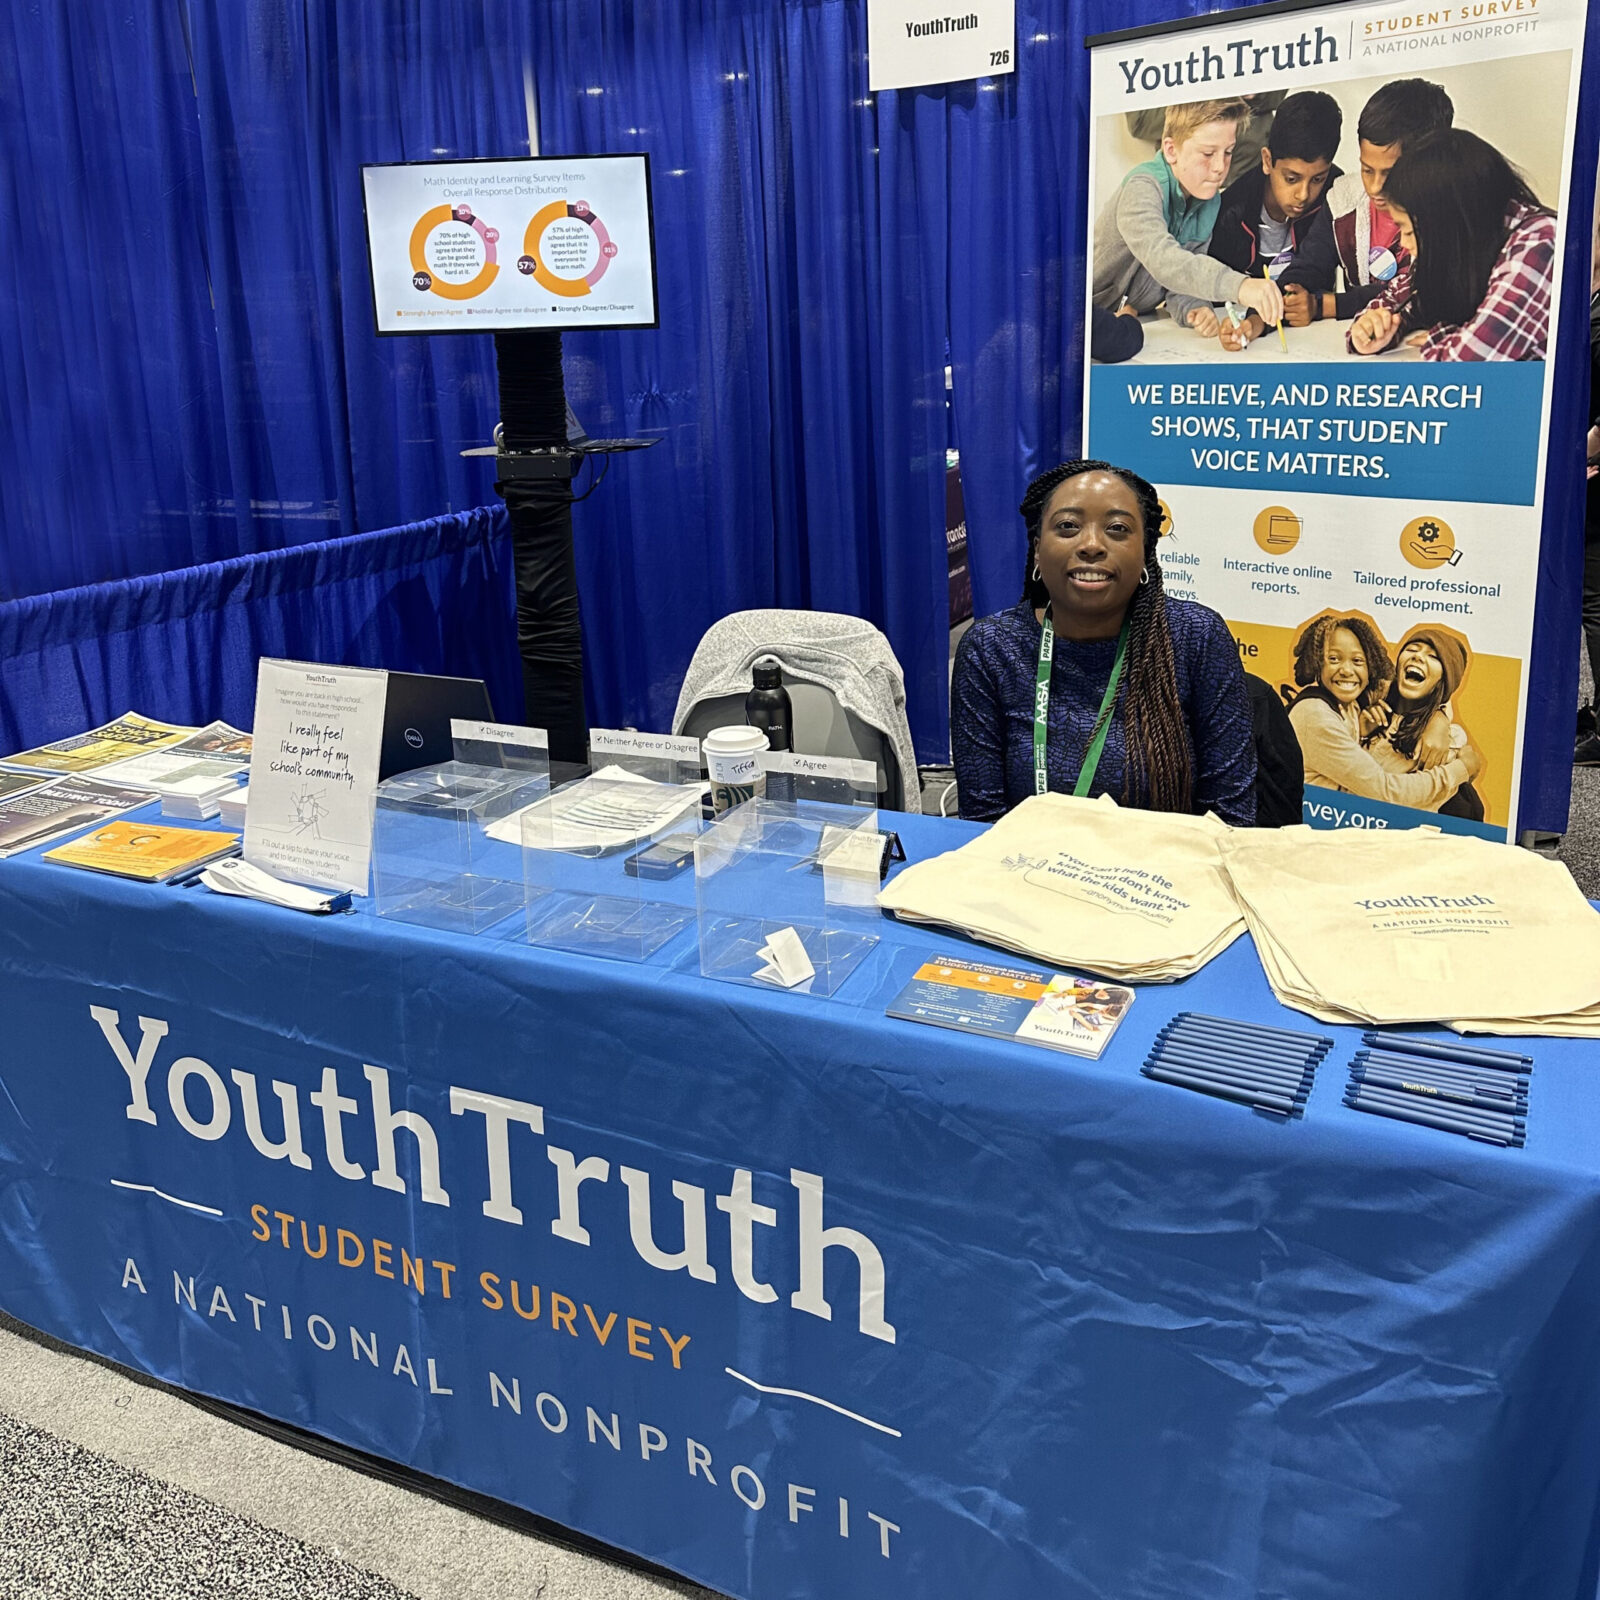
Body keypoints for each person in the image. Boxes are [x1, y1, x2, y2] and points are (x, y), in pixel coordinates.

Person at [951, 459, 1256, 825]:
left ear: (1145, 551)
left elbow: (1230, 822)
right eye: (1067, 526)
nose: (1091, 544)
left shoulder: (1196, 637)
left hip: (1168, 873)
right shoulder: (992, 649)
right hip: (1024, 872)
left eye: (1117, 528)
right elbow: (982, 821)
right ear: (1037, 549)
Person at [1349, 129, 1555, 361]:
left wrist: (1444, 334)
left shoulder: (1540, 244)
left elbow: (1465, 363)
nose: (1405, 243)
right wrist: (1371, 328)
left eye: (1408, 231)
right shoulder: (1469, 239)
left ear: (1446, 224)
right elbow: (1400, 299)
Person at [1092, 100, 1286, 330]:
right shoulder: (1142, 187)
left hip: (1137, 322)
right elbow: (1164, 261)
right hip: (1087, 318)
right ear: (1171, 150)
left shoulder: (1209, 200)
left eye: (1228, 152)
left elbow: (1182, 279)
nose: (1219, 167)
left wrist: (1195, 307)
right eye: (1207, 153)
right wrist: (1240, 286)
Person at [1172, 90, 1343, 347]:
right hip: (1245, 341)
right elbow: (1199, 283)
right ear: (1267, 161)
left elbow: (1316, 272)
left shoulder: (1336, 194)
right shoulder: (1229, 211)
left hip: (1312, 341)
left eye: (1317, 179)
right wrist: (1234, 321)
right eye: (1292, 178)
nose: (1304, 194)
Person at [1285, 614, 1481, 808]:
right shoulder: (1322, 712)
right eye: (1334, 659)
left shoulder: (1447, 740)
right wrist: (1463, 769)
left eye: (1358, 661)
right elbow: (1383, 791)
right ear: (1318, 662)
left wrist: (1438, 717)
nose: (1346, 670)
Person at [1309, 79, 1453, 326]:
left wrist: (1331, 305)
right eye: (1367, 170)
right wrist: (1292, 297)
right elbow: (1310, 265)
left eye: (1390, 174)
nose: (1375, 188)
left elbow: (1421, 290)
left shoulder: (1452, 209)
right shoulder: (1344, 200)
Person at [1367, 625, 1485, 819]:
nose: (1418, 657)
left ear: (1444, 680)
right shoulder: (1367, 708)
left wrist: (1438, 717)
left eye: (1433, 657)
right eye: (1412, 650)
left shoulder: (1448, 741)